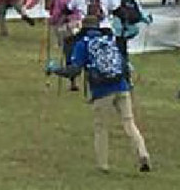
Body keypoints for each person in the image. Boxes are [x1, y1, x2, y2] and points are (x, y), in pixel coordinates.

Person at [51, 12, 151, 173]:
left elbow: (74, 70)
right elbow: (123, 64)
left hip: (102, 90)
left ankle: (103, 164)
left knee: (101, 127)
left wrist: (56, 70)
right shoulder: (109, 41)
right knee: (129, 123)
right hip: (122, 86)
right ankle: (142, 153)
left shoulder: (83, 44)